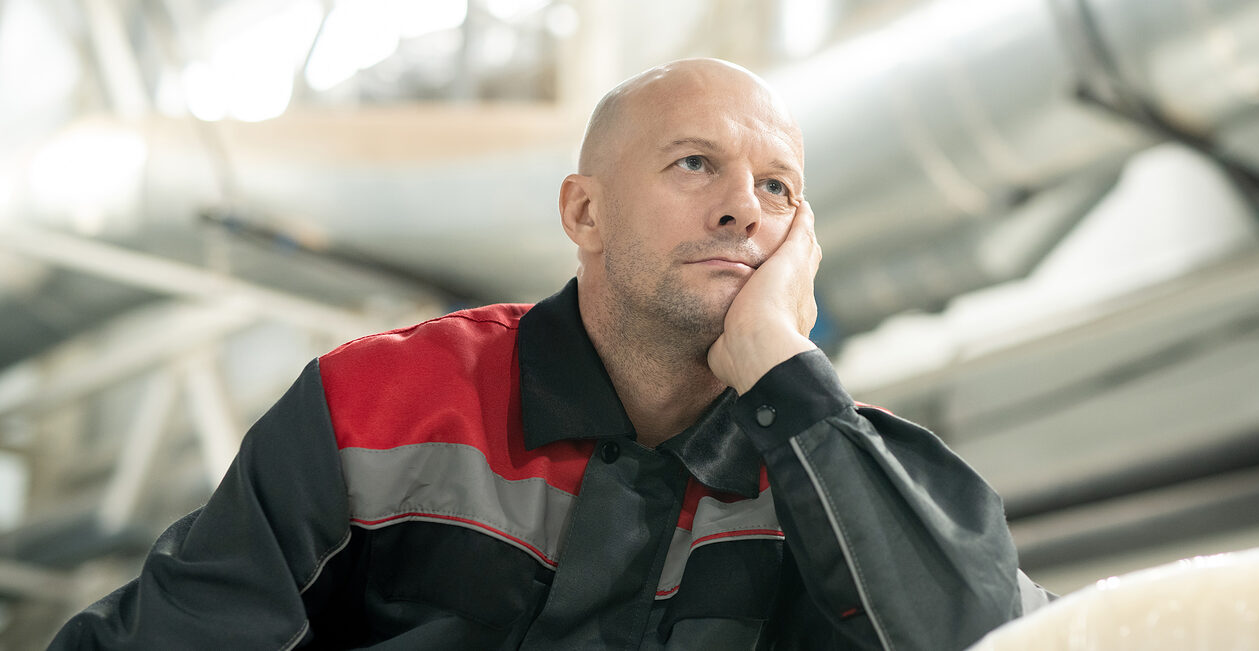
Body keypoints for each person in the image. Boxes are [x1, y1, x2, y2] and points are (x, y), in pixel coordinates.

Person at [49, 58, 1052, 650]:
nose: (745, 206)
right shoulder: (380, 406)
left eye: (778, 188)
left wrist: (784, 367)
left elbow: (995, 643)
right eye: (694, 163)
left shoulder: (835, 472)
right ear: (584, 212)